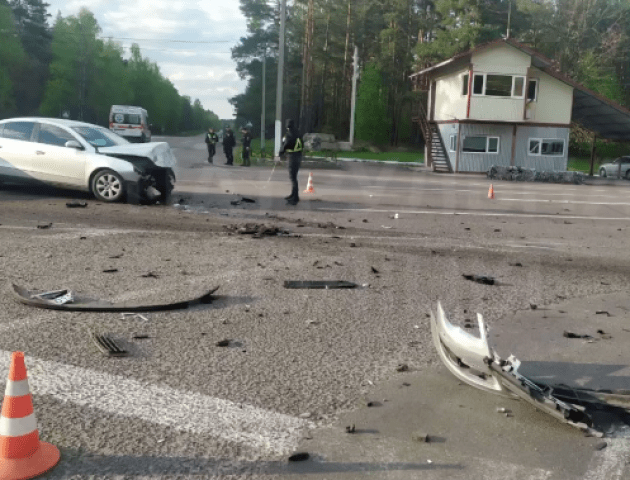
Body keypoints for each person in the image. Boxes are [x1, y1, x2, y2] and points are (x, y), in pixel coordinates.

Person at [278, 119, 303, 205]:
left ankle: (295, 198)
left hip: (292, 156)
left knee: (293, 178)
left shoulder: (289, 135)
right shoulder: (298, 133)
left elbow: (285, 145)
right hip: (299, 156)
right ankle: (293, 194)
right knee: (294, 176)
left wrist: (280, 153)